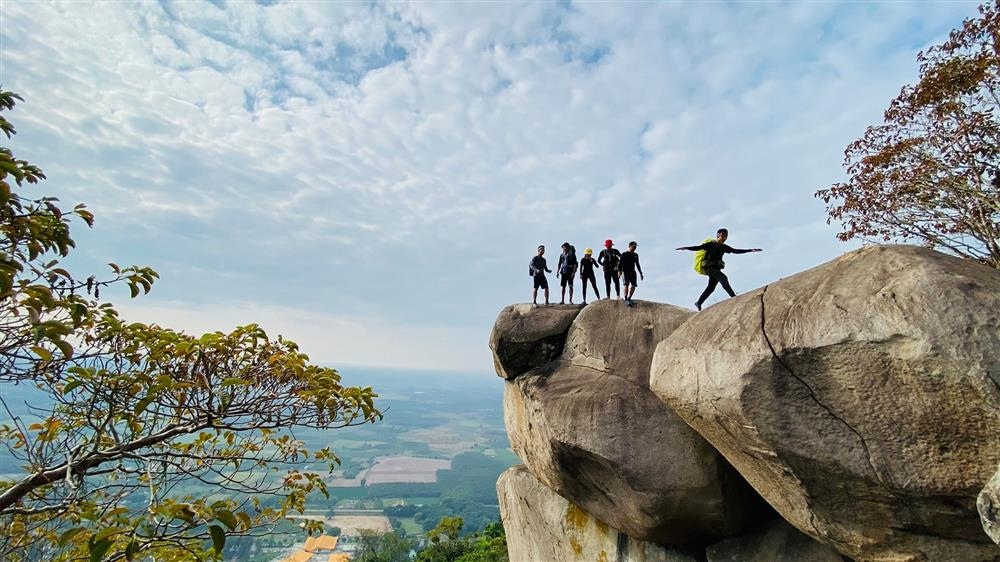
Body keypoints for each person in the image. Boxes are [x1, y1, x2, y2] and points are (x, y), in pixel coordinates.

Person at [676, 228, 762, 311]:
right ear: (718, 235)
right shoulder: (711, 244)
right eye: (723, 236)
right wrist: (686, 248)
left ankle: (699, 302)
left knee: (711, 288)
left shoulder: (724, 247)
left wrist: (750, 250)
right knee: (723, 278)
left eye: (726, 237)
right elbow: (698, 247)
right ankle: (733, 297)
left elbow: (735, 250)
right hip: (709, 268)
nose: (724, 238)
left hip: (716, 269)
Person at [619, 241, 644, 306]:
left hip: (632, 271)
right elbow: (620, 263)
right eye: (633, 247)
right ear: (629, 246)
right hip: (625, 271)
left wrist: (641, 273)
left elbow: (637, 264)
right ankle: (625, 298)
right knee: (626, 284)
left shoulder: (636, 255)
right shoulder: (624, 254)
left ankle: (629, 298)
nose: (634, 248)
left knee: (634, 285)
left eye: (635, 247)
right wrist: (619, 272)